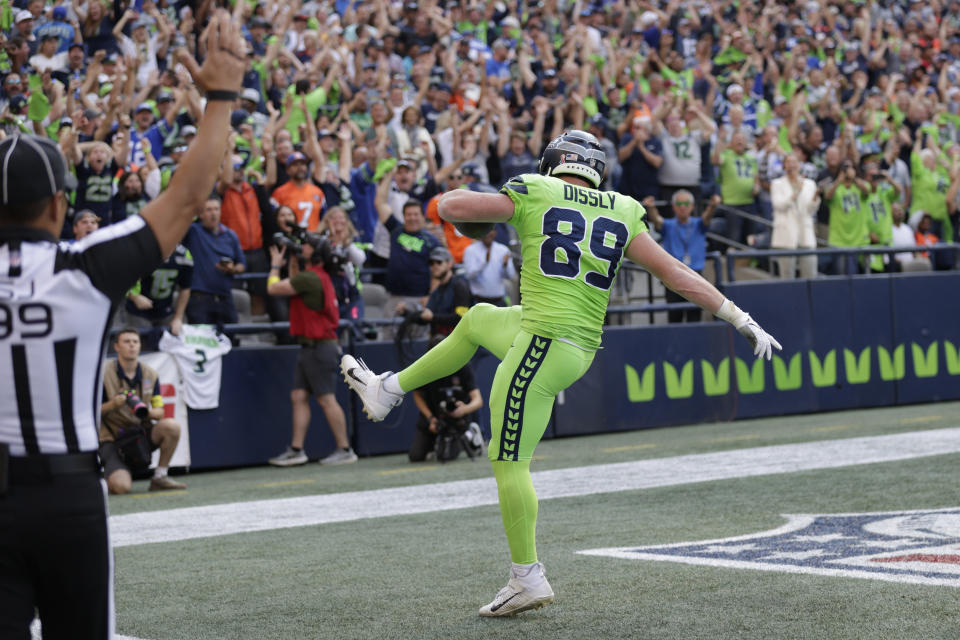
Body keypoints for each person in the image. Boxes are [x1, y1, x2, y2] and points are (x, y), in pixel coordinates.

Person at [341, 130, 780, 617]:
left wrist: (489, 197)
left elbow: (449, 208)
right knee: (480, 319)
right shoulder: (622, 207)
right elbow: (676, 274)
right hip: (570, 342)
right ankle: (389, 388)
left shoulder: (537, 188)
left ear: (553, 162)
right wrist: (740, 317)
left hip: (543, 342)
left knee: (509, 460)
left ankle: (527, 576)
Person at [0, 11, 244, 638]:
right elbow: (188, 199)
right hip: (66, 494)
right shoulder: (81, 268)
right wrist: (219, 99)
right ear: (60, 205)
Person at [266, 235, 357, 467]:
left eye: (307, 245)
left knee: (326, 398)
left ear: (316, 254)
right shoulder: (316, 276)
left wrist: (276, 264)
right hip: (311, 346)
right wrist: (294, 263)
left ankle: (345, 449)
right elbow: (296, 281)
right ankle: (297, 450)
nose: (302, 246)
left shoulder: (312, 277)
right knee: (298, 396)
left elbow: (274, 288)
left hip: (319, 346)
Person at [99, 329, 186, 494]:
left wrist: (146, 412)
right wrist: (113, 405)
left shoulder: (151, 374)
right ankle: (106, 475)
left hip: (139, 431)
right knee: (122, 488)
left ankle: (160, 477)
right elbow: (90, 413)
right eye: (127, 342)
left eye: (135, 342)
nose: (132, 345)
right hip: (112, 437)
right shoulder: (103, 374)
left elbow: (159, 411)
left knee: (171, 426)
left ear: (140, 346)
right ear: (116, 347)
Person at [642, 191, 720, 322]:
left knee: (695, 319)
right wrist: (651, 207)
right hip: (673, 278)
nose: (682, 207)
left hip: (696, 277)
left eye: (686, 203)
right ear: (673, 207)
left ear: (692, 206)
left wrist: (713, 206)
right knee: (674, 319)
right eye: (679, 204)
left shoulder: (699, 224)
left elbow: (707, 217)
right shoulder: (668, 225)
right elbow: (657, 220)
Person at [409, 339, 484, 463]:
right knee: (416, 456)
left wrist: (464, 409)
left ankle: (469, 434)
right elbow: (417, 395)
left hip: (457, 419)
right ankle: (434, 443)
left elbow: (478, 400)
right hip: (433, 417)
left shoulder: (463, 365)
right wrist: (430, 418)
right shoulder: (424, 368)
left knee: (448, 456)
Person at [182, 196, 246, 328]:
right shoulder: (193, 231)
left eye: (216, 209)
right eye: (209, 210)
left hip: (224, 296)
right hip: (199, 298)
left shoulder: (230, 235)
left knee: (231, 338)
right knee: (201, 341)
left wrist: (232, 269)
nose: (213, 213)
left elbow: (242, 265)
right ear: (200, 214)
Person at [770, 153, 819, 279]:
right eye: (788, 162)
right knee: (787, 276)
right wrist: (796, 193)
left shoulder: (810, 184)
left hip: (805, 234)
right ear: (784, 165)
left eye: (794, 162)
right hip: (785, 235)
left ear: (799, 164)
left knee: (811, 275)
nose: (791, 165)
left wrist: (816, 197)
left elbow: (811, 209)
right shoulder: (777, 184)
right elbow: (778, 205)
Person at [462, 227, 517, 306]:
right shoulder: (470, 250)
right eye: (485, 231)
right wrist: (484, 263)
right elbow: (469, 275)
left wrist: (505, 265)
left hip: (499, 301)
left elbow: (510, 276)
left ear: (495, 233)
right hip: (478, 302)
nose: (487, 234)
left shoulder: (503, 250)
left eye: (490, 231)